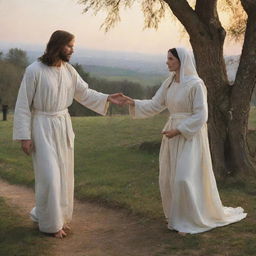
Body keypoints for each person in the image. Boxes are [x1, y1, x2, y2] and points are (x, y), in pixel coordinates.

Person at [13, 30, 126, 239]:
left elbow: (85, 92)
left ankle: (56, 218)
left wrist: (108, 98)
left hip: (63, 126)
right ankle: (50, 225)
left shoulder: (69, 71)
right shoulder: (34, 70)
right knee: (49, 177)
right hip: (42, 126)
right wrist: (24, 136)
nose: (73, 50)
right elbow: (22, 105)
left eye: (73, 46)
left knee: (64, 176)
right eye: (69, 46)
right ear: (57, 45)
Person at [124, 47, 247, 235]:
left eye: (171, 59)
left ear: (182, 61)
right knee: (169, 177)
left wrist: (180, 130)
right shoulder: (169, 83)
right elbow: (155, 104)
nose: (167, 62)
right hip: (172, 134)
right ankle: (177, 218)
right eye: (167, 59)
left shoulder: (196, 84)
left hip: (190, 136)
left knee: (184, 178)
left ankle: (189, 220)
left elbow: (201, 114)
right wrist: (133, 102)